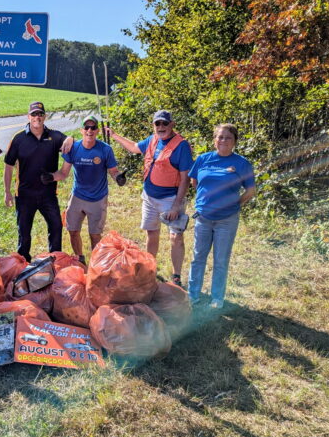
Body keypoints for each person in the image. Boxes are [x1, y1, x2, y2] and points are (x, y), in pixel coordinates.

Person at [107, 110, 193, 287]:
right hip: (149, 198)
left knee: (175, 237)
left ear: (172, 124)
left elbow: (185, 178)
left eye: (164, 123)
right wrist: (114, 135)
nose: (161, 127)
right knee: (151, 233)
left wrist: (176, 206)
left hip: (171, 199)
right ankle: (149, 270)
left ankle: (176, 276)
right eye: (157, 124)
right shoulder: (152, 140)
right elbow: (133, 147)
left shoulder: (181, 146)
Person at [187, 124, 256, 309]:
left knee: (220, 259)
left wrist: (235, 204)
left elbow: (250, 190)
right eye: (220, 137)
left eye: (228, 138)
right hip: (203, 217)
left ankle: (217, 298)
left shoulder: (241, 163)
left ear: (234, 142)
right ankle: (193, 295)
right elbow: (195, 182)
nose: (223, 140)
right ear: (214, 140)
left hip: (227, 220)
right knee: (198, 257)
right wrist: (205, 201)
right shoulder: (203, 159)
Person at [45, 115, 125, 264]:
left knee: (94, 235)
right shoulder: (74, 148)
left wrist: (119, 178)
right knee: (73, 230)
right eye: (86, 127)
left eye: (93, 127)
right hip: (78, 196)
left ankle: (95, 262)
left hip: (98, 198)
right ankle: (80, 258)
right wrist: (50, 177)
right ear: (81, 130)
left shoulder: (105, 149)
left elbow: (113, 171)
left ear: (97, 131)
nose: (90, 130)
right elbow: (63, 173)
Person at [4, 101, 73, 261]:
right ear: (28, 117)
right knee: (24, 232)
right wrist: (7, 192)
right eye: (34, 114)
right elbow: (8, 167)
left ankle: (55, 261)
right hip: (24, 195)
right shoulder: (18, 139)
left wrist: (70, 138)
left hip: (48, 194)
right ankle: (22, 264)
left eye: (40, 114)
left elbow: (69, 145)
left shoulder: (54, 136)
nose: (37, 117)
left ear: (45, 117)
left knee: (56, 226)